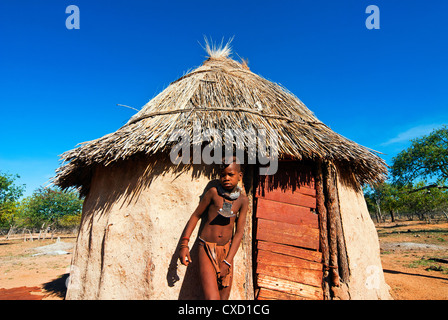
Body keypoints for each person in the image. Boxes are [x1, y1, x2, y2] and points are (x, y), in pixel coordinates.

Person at [178, 160, 248, 300]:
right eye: (223, 175)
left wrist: (227, 261)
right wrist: (184, 245)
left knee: (223, 298)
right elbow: (196, 216)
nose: (226, 178)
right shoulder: (213, 193)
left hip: (226, 252)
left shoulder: (242, 201)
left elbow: (239, 232)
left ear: (240, 176)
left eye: (230, 174)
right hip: (206, 249)